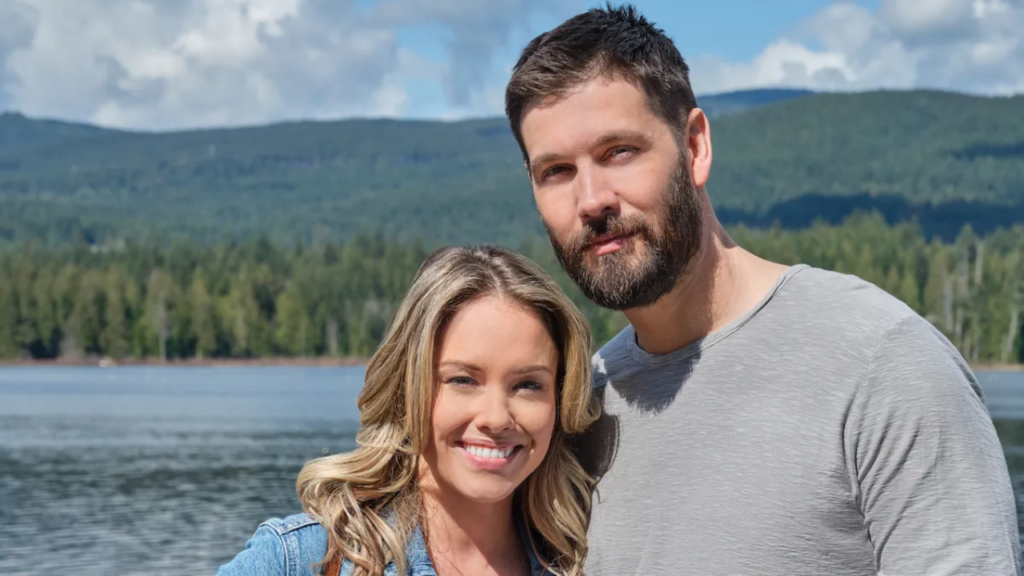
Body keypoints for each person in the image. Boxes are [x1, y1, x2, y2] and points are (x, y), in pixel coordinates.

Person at [504, 4, 1020, 575]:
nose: (592, 198)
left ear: (695, 146)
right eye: (556, 171)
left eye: (618, 152)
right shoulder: (580, 408)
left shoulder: (881, 363)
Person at [216, 245, 598, 576]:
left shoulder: (587, 558)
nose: (496, 417)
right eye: (463, 380)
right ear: (407, 387)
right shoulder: (303, 560)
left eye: (528, 385)